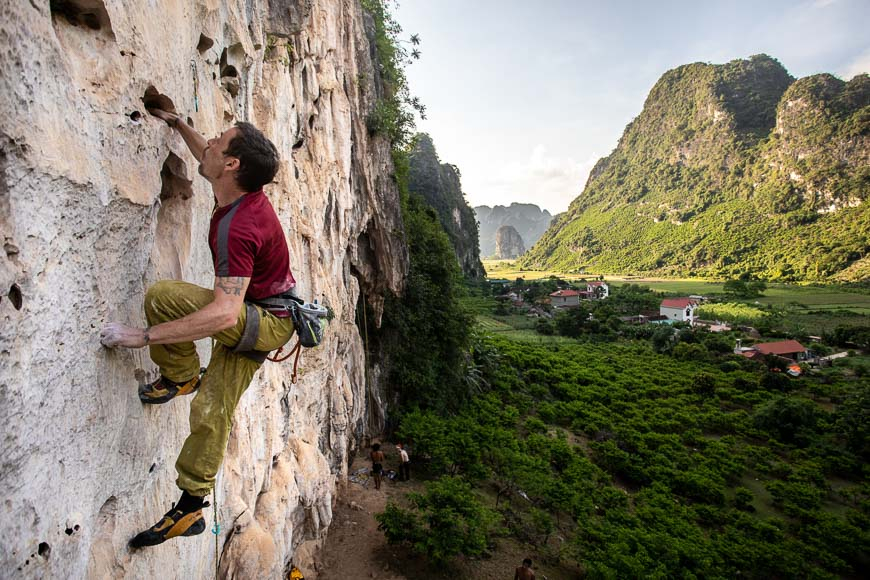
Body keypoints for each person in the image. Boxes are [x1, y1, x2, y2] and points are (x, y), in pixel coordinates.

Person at [100, 108, 297, 548]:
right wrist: (177, 124)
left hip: (262, 322)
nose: (208, 141)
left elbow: (225, 315)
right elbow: (206, 156)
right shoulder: (235, 191)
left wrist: (143, 337)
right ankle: (189, 512)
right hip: (258, 313)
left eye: (218, 140)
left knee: (163, 298)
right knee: (212, 409)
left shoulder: (240, 224)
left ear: (232, 166)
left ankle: (181, 374)